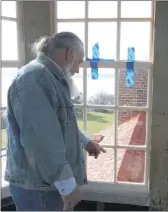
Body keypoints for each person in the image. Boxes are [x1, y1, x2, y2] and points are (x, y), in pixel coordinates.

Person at [5, 32, 106, 211]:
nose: (77, 70)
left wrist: (85, 142)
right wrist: (67, 185)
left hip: (46, 184)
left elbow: (58, 124)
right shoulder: (34, 79)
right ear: (69, 54)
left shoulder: (47, 78)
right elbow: (42, 140)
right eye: (79, 62)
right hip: (39, 189)